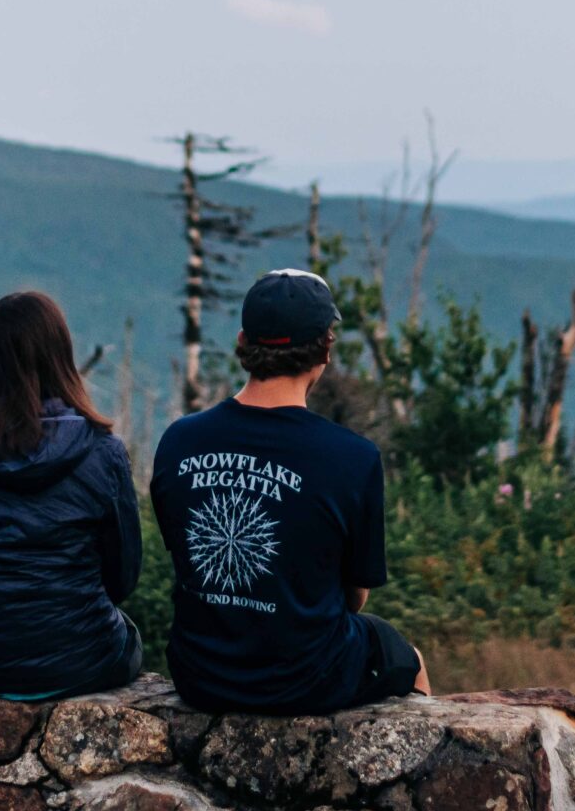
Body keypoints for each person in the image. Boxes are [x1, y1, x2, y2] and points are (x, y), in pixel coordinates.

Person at [149, 269, 430, 715]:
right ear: (325, 349)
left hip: (198, 673)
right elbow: (355, 599)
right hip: (305, 679)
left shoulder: (178, 441)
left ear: (243, 340)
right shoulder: (353, 458)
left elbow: (184, 559)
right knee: (408, 660)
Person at [0, 292, 145, 700]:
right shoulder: (101, 449)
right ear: (61, 354)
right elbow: (122, 575)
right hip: (81, 660)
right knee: (129, 635)